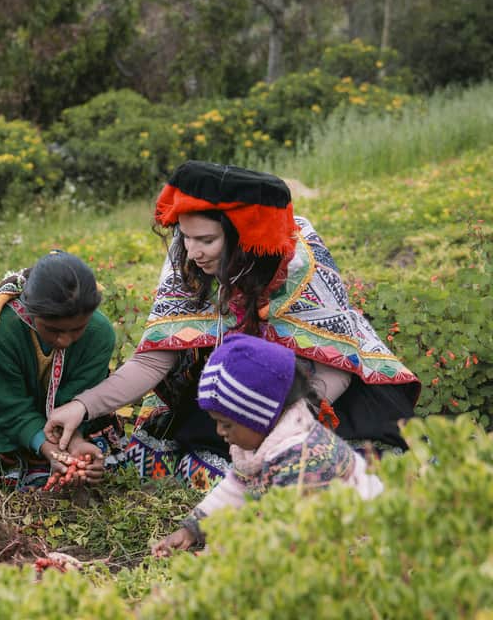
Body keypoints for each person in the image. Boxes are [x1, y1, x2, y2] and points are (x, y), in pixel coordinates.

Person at [45, 160, 419, 491]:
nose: (192, 251)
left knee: (361, 451)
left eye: (206, 240)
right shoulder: (187, 257)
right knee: (214, 444)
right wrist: (82, 406)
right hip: (238, 385)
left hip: (316, 388)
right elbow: (155, 360)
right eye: (186, 237)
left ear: (245, 236)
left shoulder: (302, 259)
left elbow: (335, 365)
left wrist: (284, 424)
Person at [151, 334, 384, 555]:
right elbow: (236, 488)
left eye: (227, 424)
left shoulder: (303, 456)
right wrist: (192, 529)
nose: (219, 432)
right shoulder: (263, 437)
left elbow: (283, 531)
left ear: (257, 416)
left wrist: (222, 558)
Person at [0, 251, 122, 489]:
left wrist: (74, 441)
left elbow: (80, 398)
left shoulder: (99, 333)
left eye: (77, 329)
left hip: (69, 413)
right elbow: (9, 407)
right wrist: (48, 448)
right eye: (53, 329)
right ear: (31, 313)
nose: (64, 340)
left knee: (95, 465)